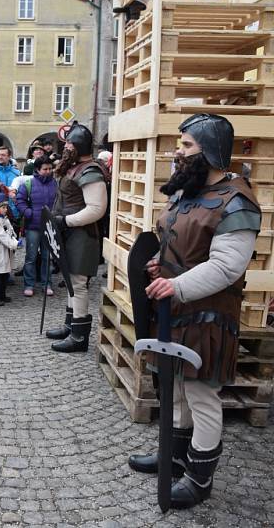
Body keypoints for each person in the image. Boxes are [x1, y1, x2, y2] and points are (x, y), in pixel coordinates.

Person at [127, 114, 261, 509]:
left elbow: (226, 267)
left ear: (212, 150)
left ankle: (199, 480)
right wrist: (159, 265)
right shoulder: (189, 191)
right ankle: (173, 457)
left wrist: (177, 283)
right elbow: (177, 243)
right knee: (176, 388)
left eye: (186, 145)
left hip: (207, 316)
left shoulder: (236, 201)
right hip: (175, 309)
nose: (177, 151)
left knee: (201, 395)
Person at [45, 122, 108, 353]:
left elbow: (96, 208)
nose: (66, 146)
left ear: (80, 145)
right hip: (69, 233)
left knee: (78, 284)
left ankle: (79, 336)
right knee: (71, 282)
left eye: (70, 143)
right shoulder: (74, 168)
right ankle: (70, 326)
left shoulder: (90, 171)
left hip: (82, 234)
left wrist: (65, 221)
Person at [16, 156, 57, 297]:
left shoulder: (55, 184)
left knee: (47, 257)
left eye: (50, 169)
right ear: (37, 170)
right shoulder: (29, 184)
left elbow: (59, 202)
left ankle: (47, 284)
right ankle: (29, 284)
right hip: (33, 225)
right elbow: (19, 200)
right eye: (45, 169)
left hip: (49, 226)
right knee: (31, 257)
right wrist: (28, 212)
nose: (48, 171)